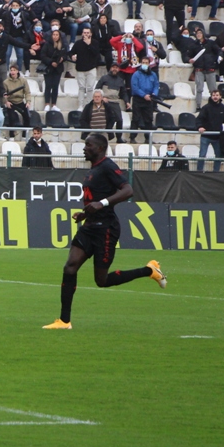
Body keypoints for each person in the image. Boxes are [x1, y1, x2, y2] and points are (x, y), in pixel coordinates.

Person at [43, 133, 166, 329]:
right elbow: (96, 199)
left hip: (106, 229)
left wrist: (101, 204)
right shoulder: (93, 170)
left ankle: (149, 270)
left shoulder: (108, 166)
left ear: (99, 148)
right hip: (89, 227)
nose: (84, 148)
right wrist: (86, 214)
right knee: (70, 267)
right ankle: (64, 321)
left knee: (102, 280)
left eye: (88, 145)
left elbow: (128, 190)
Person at [196, 89, 224, 172]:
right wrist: (200, 127)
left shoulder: (223, 108)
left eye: (217, 95)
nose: (215, 97)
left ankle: (216, 172)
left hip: (217, 137)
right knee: (202, 155)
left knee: (219, 155)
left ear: (220, 96)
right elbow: (199, 119)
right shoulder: (206, 107)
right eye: (213, 95)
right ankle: (199, 172)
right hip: (205, 136)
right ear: (211, 96)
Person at [130, 56, 158, 143]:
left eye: (146, 63)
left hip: (149, 99)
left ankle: (148, 139)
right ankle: (132, 138)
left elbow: (156, 86)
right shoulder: (136, 74)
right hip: (138, 99)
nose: (145, 64)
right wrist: (143, 95)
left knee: (149, 119)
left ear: (149, 64)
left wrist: (154, 94)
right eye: (143, 62)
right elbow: (135, 87)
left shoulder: (153, 74)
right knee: (136, 119)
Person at [3, 64, 31, 132]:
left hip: (20, 101)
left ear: (17, 71)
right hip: (11, 102)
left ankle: (25, 134)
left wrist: (28, 101)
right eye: (11, 70)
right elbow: (3, 94)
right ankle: (11, 135)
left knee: (27, 116)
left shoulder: (23, 81)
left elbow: (27, 92)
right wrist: (6, 102)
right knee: (11, 117)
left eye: (14, 70)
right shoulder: (5, 82)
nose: (12, 72)